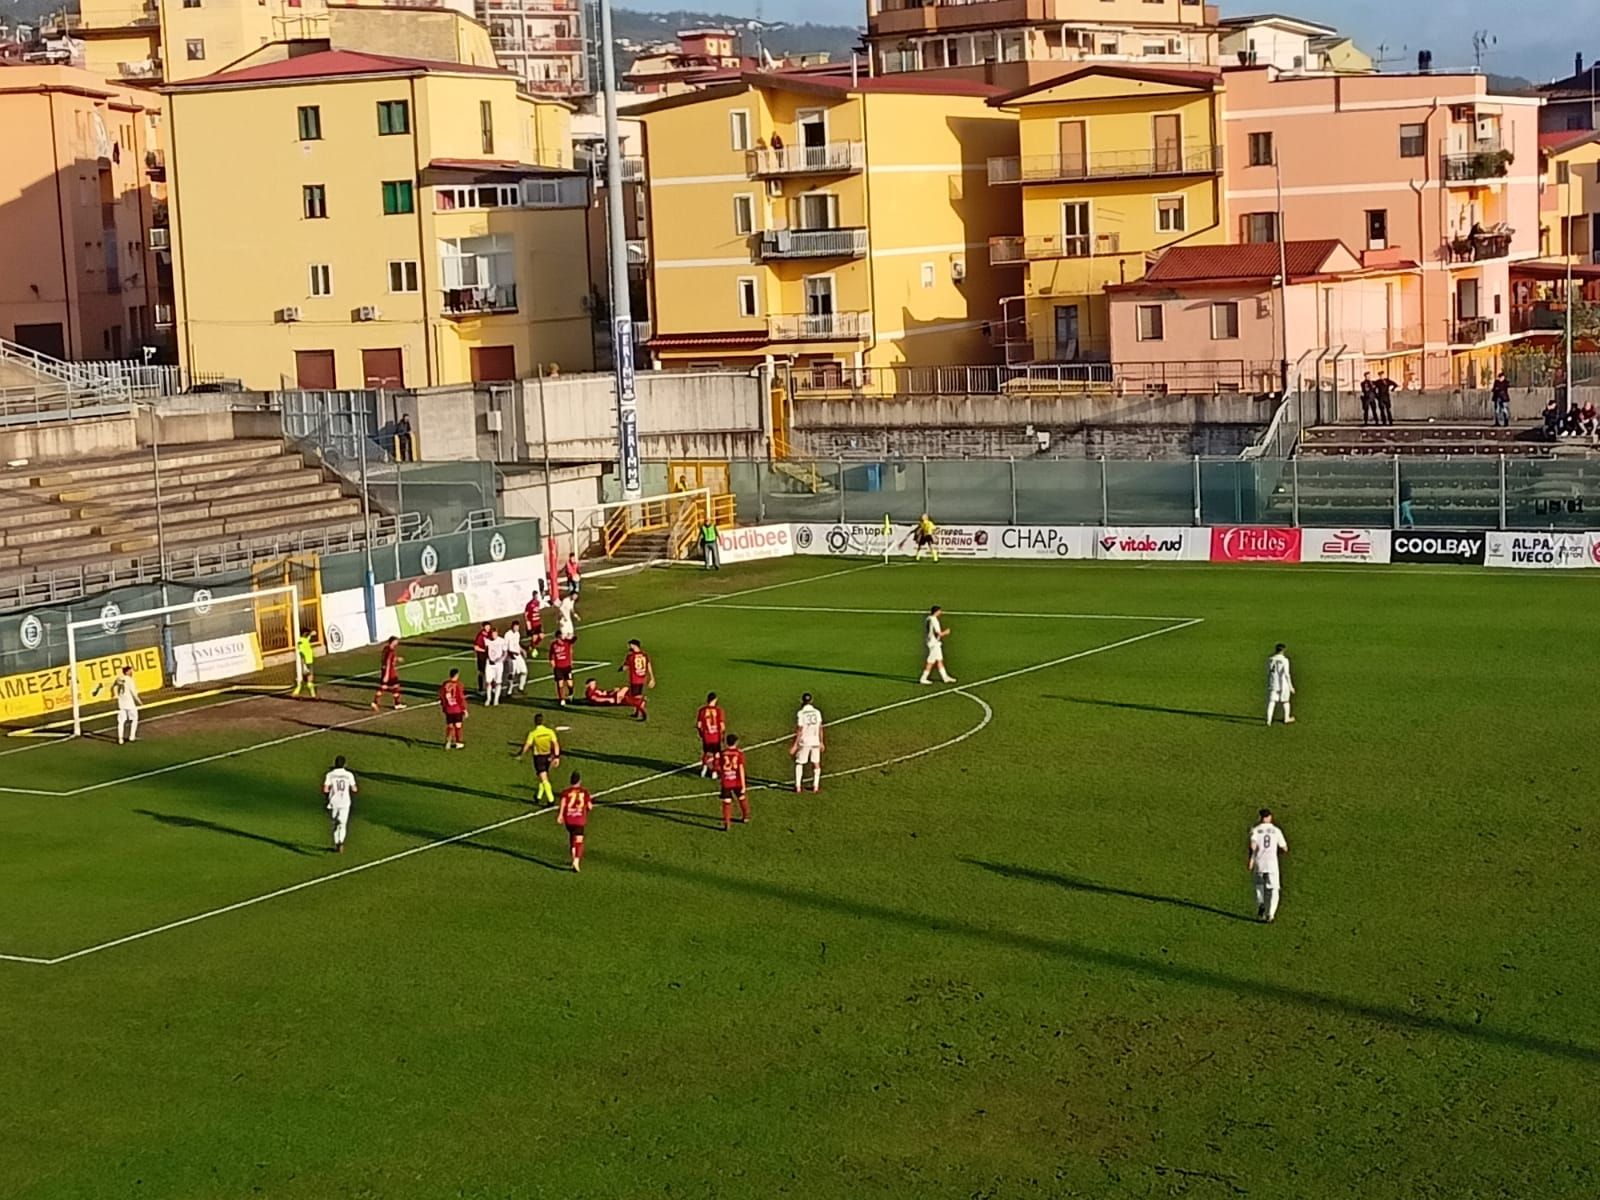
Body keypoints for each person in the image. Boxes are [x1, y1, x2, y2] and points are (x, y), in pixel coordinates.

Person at [1247, 808, 1290, 923]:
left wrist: (1251, 860)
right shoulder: (1276, 830)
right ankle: (1270, 914)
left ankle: (1261, 903)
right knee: (1274, 889)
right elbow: (1285, 848)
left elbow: (1253, 846)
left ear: (1260, 818)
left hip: (1259, 862)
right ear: (1270, 817)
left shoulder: (1255, 830)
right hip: (1272, 864)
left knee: (1259, 885)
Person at [516, 713, 561, 805]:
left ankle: (551, 799)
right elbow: (556, 744)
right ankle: (538, 796)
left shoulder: (533, 733)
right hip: (548, 756)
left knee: (544, 778)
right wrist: (556, 757)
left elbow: (527, 745)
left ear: (535, 722)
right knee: (543, 776)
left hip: (539, 758)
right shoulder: (549, 731)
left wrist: (520, 754)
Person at [557, 771, 594, 872]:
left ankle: (573, 857)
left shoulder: (566, 792)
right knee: (579, 840)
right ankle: (576, 861)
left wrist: (560, 815)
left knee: (572, 837)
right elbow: (590, 806)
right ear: (580, 781)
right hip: (579, 819)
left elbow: (563, 803)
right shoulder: (584, 792)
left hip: (568, 819)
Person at [322, 754, 358, 854]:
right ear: (344, 764)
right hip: (345, 802)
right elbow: (354, 789)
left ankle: (336, 842)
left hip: (333, 802)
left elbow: (325, 789)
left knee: (334, 824)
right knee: (342, 824)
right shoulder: (349, 775)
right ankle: (340, 842)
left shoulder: (330, 774)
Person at [792, 692, 824, 794]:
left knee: (799, 763)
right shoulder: (817, 712)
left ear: (802, 701)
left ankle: (797, 786)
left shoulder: (801, 713)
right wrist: (821, 742)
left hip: (805, 741)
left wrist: (795, 744)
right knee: (816, 763)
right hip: (815, 741)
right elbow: (820, 728)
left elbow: (800, 729)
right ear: (811, 701)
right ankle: (816, 786)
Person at [918, 604, 955, 685]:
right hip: (934, 643)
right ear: (937, 611)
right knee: (931, 661)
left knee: (939, 660)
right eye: (940, 611)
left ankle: (945, 677)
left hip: (932, 642)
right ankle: (923, 678)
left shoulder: (928, 618)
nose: (941, 612)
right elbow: (939, 633)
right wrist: (946, 632)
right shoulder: (934, 620)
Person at [719, 733, 748, 830]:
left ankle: (727, 822)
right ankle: (745, 817)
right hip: (737, 781)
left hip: (726, 781)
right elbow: (741, 769)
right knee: (741, 798)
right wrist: (743, 784)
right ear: (736, 742)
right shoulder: (739, 754)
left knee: (727, 801)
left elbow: (720, 767)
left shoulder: (723, 754)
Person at [620, 639, 654, 721]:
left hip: (634, 679)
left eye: (629, 645)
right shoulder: (644, 655)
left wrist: (621, 668)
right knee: (637, 695)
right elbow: (649, 666)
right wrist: (652, 678)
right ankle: (636, 712)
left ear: (633, 645)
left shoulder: (630, 656)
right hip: (642, 678)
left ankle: (642, 712)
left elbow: (625, 667)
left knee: (635, 697)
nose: (628, 647)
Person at [371, 636, 405, 712]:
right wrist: (386, 675)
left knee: (384, 686)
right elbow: (388, 662)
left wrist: (397, 659)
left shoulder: (386, 649)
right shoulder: (391, 651)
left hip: (385, 670)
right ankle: (397, 704)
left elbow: (386, 659)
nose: (397, 643)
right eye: (396, 641)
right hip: (389, 671)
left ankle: (375, 702)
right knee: (395, 686)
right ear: (393, 642)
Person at [697, 692, 726, 777]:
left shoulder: (702, 710)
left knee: (706, 752)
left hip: (706, 735)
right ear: (715, 700)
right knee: (716, 753)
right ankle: (714, 771)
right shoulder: (718, 711)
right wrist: (723, 735)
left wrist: (701, 734)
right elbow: (722, 725)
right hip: (716, 736)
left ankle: (704, 769)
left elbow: (699, 725)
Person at [439, 667, 468, 749]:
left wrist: (444, 706)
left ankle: (448, 741)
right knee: (458, 725)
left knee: (450, 725)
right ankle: (458, 742)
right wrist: (464, 709)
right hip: (457, 709)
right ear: (457, 675)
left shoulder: (445, 684)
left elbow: (441, 695)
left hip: (448, 709)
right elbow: (460, 698)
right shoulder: (459, 684)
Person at [1266, 643, 1295, 726]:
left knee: (1271, 701)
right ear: (1283, 650)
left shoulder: (1270, 659)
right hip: (1283, 684)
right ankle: (1286, 718)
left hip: (1273, 683)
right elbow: (1286, 674)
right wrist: (1291, 686)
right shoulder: (1284, 660)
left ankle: (1269, 720)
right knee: (1285, 701)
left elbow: (1268, 671)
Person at [112, 664, 141, 744]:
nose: (132, 672)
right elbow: (133, 692)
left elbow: (114, 685)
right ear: (128, 671)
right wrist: (139, 701)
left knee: (121, 721)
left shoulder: (119, 678)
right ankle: (132, 736)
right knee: (134, 719)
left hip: (121, 703)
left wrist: (115, 694)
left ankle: (120, 739)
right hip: (130, 703)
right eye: (130, 670)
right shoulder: (129, 680)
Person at [549, 635, 576, 706]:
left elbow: (574, 639)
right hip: (558, 668)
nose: (559, 641)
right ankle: (562, 699)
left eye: (560, 639)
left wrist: (569, 634)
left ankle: (571, 693)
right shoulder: (554, 645)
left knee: (570, 684)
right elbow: (551, 653)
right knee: (560, 684)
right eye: (558, 639)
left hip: (567, 667)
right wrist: (551, 660)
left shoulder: (567, 642)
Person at [504, 621, 528, 695]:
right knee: (511, 674)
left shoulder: (517, 634)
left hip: (518, 655)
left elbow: (517, 644)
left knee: (524, 671)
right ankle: (509, 690)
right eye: (515, 627)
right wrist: (509, 654)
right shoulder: (508, 635)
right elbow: (505, 646)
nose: (516, 628)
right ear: (512, 626)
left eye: (517, 627)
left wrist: (522, 650)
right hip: (511, 656)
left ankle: (521, 688)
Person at [291, 630, 316, 698]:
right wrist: (304, 664)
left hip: (309, 661)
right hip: (306, 662)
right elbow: (301, 653)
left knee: (307, 678)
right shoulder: (301, 641)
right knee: (309, 679)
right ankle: (313, 695)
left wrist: (311, 633)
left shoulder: (305, 639)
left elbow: (311, 634)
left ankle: (297, 692)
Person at [472, 622, 493, 695]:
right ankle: (480, 689)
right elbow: (476, 647)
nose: (488, 628)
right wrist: (484, 650)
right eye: (486, 627)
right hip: (481, 657)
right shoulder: (480, 636)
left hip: (489, 657)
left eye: (489, 627)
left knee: (490, 672)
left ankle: (491, 687)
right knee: (482, 672)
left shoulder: (490, 634)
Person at [523, 587, 546, 652]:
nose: (536, 597)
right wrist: (528, 624)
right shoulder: (529, 604)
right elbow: (526, 614)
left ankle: (532, 646)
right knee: (534, 638)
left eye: (537, 595)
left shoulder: (538, 602)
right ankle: (533, 648)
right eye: (535, 595)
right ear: (533, 596)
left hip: (538, 623)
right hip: (533, 624)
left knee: (541, 636)